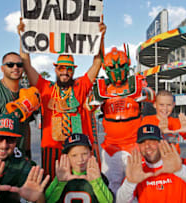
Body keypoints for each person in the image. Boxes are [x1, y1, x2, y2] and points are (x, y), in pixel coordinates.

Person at [17, 17, 107, 180]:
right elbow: (26, 64)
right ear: (56, 70)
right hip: (52, 149)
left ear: (73, 71)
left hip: (77, 150)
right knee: (52, 189)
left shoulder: (81, 86)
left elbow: (98, 62)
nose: (65, 72)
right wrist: (22, 37)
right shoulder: (45, 87)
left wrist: (100, 37)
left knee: (78, 186)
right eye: (61, 68)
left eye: (69, 69)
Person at [86, 45, 155, 196]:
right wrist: (94, 100)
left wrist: (143, 92)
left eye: (120, 66)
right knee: (111, 187)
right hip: (111, 147)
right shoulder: (102, 89)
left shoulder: (136, 83)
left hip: (135, 146)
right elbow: (87, 107)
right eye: (113, 67)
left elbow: (153, 95)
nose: (117, 71)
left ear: (127, 65)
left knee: (138, 186)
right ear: (106, 69)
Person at [116, 124, 186, 203]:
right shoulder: (137, 170)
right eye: (143, 142)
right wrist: (130, 183)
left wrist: (181, 171)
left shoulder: (180, 163)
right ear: (138, 146)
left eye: (152, 141)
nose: (147, 146)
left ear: (161, 142)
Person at [45, 133, 113, 203]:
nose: (80, 159)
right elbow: (47, 201)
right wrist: (59, 183)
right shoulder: (62, 177)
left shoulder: (98, 176)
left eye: (84, 154)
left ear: (90, 153)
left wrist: (97, 182)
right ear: (66, 157)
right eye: (74, 155)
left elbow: (108, 201)